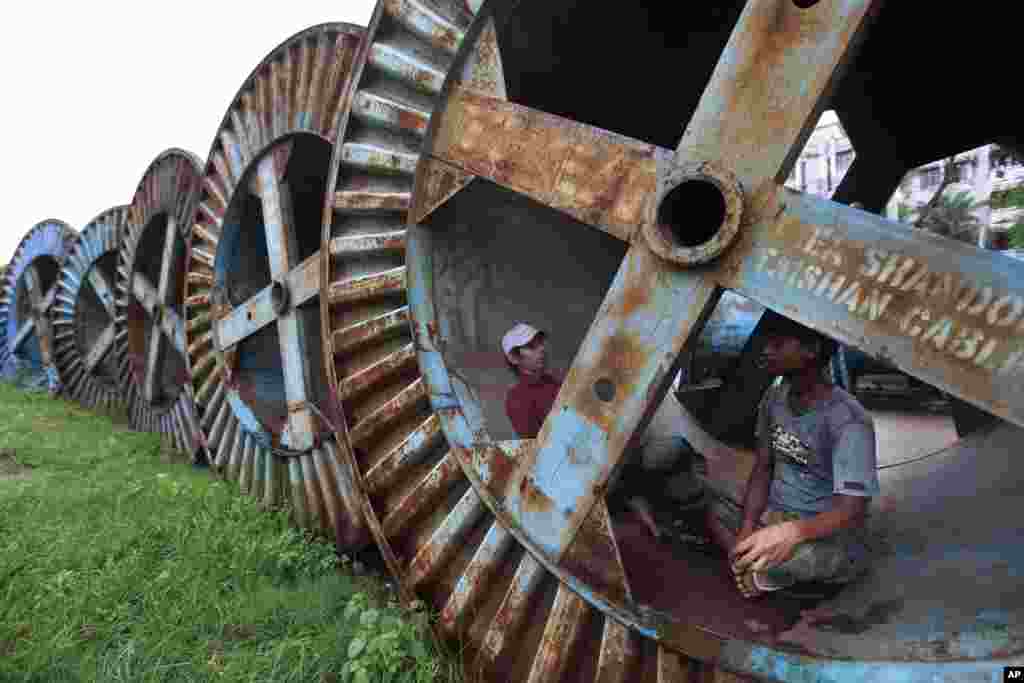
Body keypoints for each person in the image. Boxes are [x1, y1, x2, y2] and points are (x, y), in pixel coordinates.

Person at [703, 312, 880, 599]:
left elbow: (852, 510)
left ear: (811, 350)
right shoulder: (773, 399)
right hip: (777, 515)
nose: (765, 350)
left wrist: (790, 533)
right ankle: (759, 566)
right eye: (767, 343)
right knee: (712, 504)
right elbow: (763, 468)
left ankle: (763, 567)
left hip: (820, 531)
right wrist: (747, 528)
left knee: (834, 557)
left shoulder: (849, 420)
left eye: (777, 344)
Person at [501, 322, 704, 541]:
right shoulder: (517, 399)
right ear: (515, 358)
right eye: (531, 347)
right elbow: (540, 451)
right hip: (582, 473)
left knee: (676, 448)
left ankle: (672, 518)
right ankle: (655, 518)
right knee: (661, 458)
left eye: (540, 343)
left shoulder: (555, 383)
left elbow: (588, 417)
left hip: (607, 454)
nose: (541, 349)